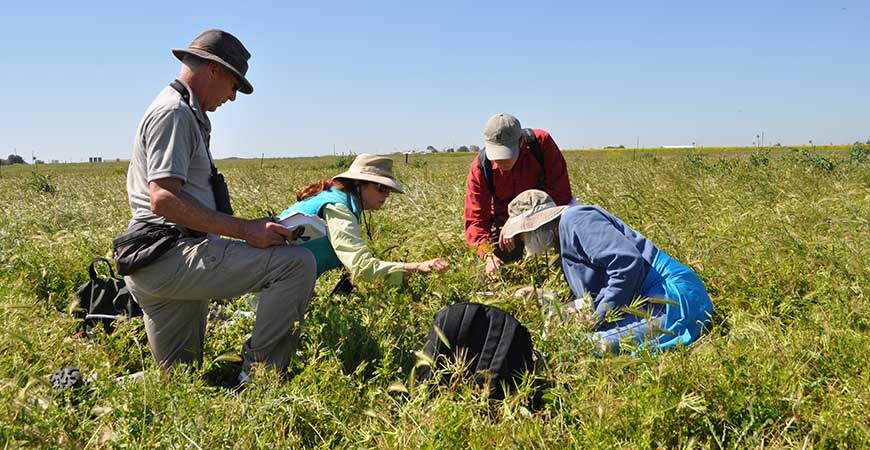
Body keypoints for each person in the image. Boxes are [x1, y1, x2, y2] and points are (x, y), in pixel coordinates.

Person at [121, 29, 316, 383]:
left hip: (158, 259)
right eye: (234, 85)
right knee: (297, 264)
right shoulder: (174, 113)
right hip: (170, 253)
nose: (233, 97)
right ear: (213, 69)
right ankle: (260, 380)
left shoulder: (185, 112)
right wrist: (245, 230)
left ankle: (86, 388)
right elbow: (163, 198)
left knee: (179, 380)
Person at [503, 190, 713, 353]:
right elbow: (601, 286)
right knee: (560, 325)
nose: (524, 242)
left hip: (674, 300)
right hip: (639, 297)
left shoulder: (577, 220)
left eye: (523, 235)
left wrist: (597, 317)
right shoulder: (562, 238)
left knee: (585, 346)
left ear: (535, 228)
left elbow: (627, 265)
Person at [279, 154, 449, 286]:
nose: (387, 194)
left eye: (388, 188)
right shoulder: (338, 208)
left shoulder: (339, 199)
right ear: (358, 184)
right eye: (381, 187)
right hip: (274, 280)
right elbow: (362, 268)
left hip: (285, 277)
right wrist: (418, 267)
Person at [464, 113, 573, 278]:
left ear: (521, 142)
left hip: (546, 215)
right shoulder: (481, 167)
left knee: (567, 253)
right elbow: (475, 219)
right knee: (498, 272)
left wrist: (518, 219)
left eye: (507, 154)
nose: (501, 161)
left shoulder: (541, 144)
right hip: (503, 228)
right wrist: (487, 255)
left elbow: (561, 193)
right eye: (497, 155)